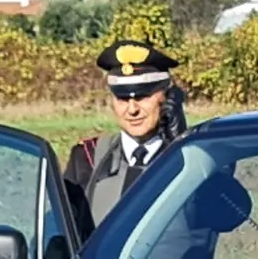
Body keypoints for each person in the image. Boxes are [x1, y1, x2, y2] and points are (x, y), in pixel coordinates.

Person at [62, 39, 191, 235]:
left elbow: (229, 216)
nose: (132, 110)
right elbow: (60, 230)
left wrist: (183, 146)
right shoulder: (87, 158)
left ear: (168, 97)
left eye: (142, 97)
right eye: (122, 99)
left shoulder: (196, 155)